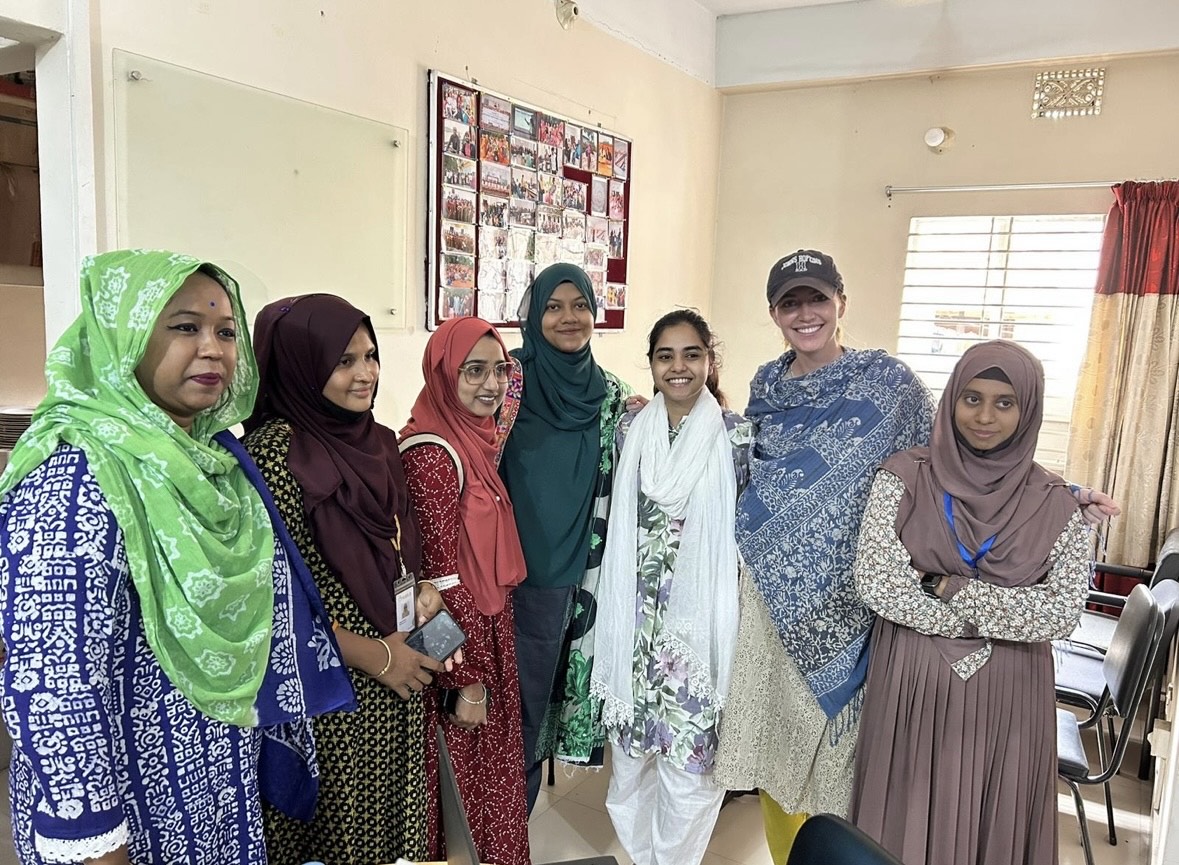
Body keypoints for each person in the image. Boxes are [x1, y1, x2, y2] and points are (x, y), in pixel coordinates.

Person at [713, 250, 1120, 864]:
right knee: (776, 749)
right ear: (773, 313)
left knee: (844, 775)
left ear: (840, 304)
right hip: (777, 602)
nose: (805, 314)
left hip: (859, 622)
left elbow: (958, 458)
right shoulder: (766, 389)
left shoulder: (891, 387)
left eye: (817, 299)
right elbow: (749, 458)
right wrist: (676, 416)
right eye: (789, 303)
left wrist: (1060, 496)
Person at [0, 250, 354, 865]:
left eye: (224, 331)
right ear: (125, 337)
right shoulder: (76, 478)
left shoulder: (214, 462)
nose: (213, 349)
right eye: (185, 327)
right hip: (128, 815)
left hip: (213, 789)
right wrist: (99, 847)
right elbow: (54, 688)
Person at [850, 340, 1090, 864]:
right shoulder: (904, 476)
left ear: (1028, 411)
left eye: (1005, 403)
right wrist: (990, 617)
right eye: (972, 398)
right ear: (951, 398)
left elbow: (1060, 611)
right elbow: (876, 580)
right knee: (900, 825)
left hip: (1009, 701)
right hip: (911, 688)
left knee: (992, 825)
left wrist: (950, 587)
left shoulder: (1058, 505)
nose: (984, 417)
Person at [243, 294, 449, 865]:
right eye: (343, 361)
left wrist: (421, 593)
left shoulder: (379, 441)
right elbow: (272, 602)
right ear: (300, 366)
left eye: (371, 355)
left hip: (398, 668)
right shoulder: (271, 456)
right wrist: (373, 657)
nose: (366, 374)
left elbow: (397, 548)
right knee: (338, 836)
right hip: (332, 684)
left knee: (389, 838)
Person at [592, 310, 751, 865]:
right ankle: (641, 858)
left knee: (690, 767)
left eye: (691, 355)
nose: (678, 367)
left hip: (695, 628)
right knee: (632, 764)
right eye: (666, 356)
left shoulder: (737, 437)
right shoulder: (630, 431)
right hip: (633, 621)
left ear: (710, 360)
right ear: (652, 364)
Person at [498, 263, 635, 811]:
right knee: (516, 718)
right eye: (553, 307)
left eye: (579, 305)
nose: (569, 318)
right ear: (532, 315)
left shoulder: (610, 394)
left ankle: (514, 831)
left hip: (582, 579)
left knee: (546, 713)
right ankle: (502, 833)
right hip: (513, 574)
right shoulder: (507, 380)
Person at [400, 316, 530, 865]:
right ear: (442, 374)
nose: (491, 384)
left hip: (486, 631)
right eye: (472, 371)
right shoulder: (432, 454)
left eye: (497, 370)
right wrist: (467, 680)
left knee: (487, 783)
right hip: (459, 650)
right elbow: (427, 586)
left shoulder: (476, 441)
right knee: (464, 793)